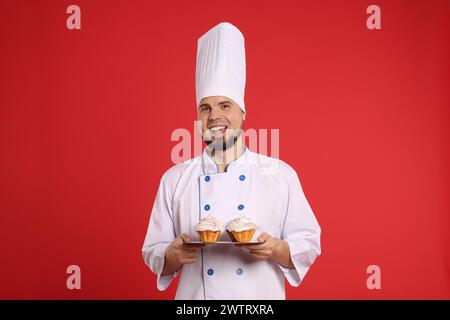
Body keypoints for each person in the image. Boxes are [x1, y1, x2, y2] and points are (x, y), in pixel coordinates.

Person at [142, 22, 321, 299]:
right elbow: (153, 252)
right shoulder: (174, 179)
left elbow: (308, 243)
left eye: (225, 105)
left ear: (243, 112)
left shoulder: (280, 175)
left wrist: (276, 249)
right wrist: (172, 254)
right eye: (206, 108)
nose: (214, 117)